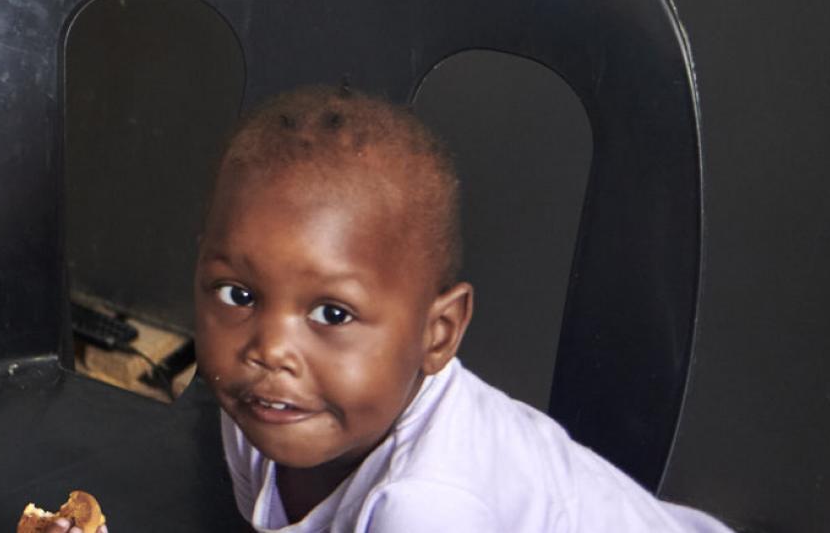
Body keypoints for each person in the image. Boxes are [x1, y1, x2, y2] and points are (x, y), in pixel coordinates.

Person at [197, 87, 733, 531]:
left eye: (332, 314)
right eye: (237, 295)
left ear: (438, 333)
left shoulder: (426, 506)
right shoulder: (266, 408)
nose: (269, 348)